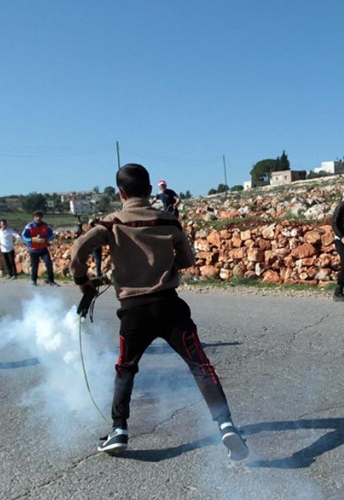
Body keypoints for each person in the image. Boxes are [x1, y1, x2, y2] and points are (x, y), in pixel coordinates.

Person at [71, 163, 248, 459]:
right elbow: (187, 260)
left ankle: (119, 429)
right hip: (170, 306)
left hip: (133, 310)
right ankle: (226, 425)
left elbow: (78, 248)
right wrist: (163, 264)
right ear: (151, 191)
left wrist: (82, 281)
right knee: (200, 366)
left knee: (126, 368)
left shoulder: (111, 223)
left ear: (121, 192)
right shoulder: (169, 221)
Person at [21, 211, 57, 286]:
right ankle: (34, 280)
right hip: (33, 249)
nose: (38, 218)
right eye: (36, 217)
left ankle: (51, 280)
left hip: (43, 248)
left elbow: (51, 235)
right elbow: (24, 236)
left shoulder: (45, 225)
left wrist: (46, 239)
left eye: (39, 217)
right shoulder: (29, 226)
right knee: (35, 265)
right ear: (34, 217)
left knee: (49, 263)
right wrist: (32, 239)